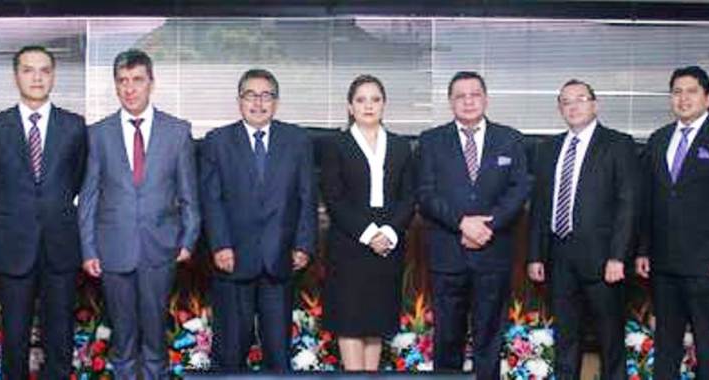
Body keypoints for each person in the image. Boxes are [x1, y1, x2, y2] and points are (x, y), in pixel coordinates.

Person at [78, 49, 200, 380]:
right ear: (115, 87)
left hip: (161, 248)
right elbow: (89, 195)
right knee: (123, 338)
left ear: (151, 83)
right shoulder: (98, 133)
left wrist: (188, 239)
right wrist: (88, 248)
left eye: (137, 80)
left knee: (155, 337)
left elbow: (189, 194)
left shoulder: (177, 132)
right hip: (112, 248)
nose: (130, 88)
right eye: (122, 81)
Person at [635, 65, 709, 379]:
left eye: (691, 91)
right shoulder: (659, 140)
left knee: (708, 343)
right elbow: (648, 202)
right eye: (677, 92)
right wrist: (643, 249)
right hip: (663, 263)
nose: (683, 98)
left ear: (708, 98)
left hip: (708, 263)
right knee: (666, 343)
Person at [0, 45, 87, 380]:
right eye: (28, 69)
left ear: (53, 75)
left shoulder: (74, 126)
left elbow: (76, 180)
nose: (36, 77)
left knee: (60, 335)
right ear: (16, 76)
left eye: (44, 70)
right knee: (14, 335)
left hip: (60, 244)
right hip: (14, 245)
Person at [199, 68, 317, 372]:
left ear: (276, 102)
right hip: (233, 259)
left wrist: (303, 245)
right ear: (239, 100)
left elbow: (307, 196)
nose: (258, 102)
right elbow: (211, 200)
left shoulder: (297, 140)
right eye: (251, 95)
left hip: (280, 259)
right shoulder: (218, 141)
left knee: (278, 353)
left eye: (266, 95)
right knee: (231, 350)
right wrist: (220, 245)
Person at [417, 71, 531, 379]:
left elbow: (519, 189)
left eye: (474, 94)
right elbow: (425, 194)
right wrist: (462, 224)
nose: (468, 101)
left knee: (489, 337)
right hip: (448, 254)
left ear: (486, 98)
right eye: (460, 96)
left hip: (492, 254)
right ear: (450, 102)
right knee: (447, 338)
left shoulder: (510, 139)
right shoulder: (431, 141)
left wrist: (487, 226)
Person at [528, 79, 638, 380]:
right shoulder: (548, 149)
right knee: (566, 335)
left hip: (604, 260)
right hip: (559, 257)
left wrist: (618, 256)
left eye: (580, 99)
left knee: (610, 337)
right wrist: (536, 255)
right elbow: (540, 205)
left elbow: (628, 204)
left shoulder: (618, 144)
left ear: (595, 104)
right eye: (566, 101)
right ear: (559, 108)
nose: (573, 106)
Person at [320, 74, 415, 371]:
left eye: (375, 99)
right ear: (350, 106)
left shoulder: (401, 146)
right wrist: (369, 233)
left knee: (376, 322)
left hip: (388, 245)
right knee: (350, 323)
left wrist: (387, 232)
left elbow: (409, 196)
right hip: (350, 245)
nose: (368, 106)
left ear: (384, 105)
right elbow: (334, 199)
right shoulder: (336, 145)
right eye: (361, 100)